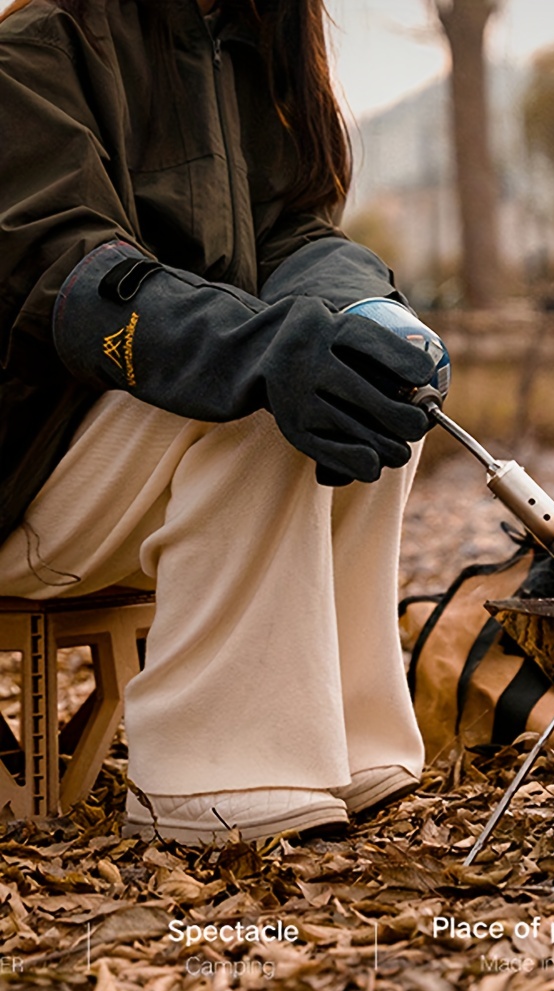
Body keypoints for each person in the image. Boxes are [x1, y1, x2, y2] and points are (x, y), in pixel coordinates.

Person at [0, 0, 439, 843]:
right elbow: (64, 272)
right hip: (24, 468)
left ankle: (345, 734)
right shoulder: (36, 48)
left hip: (115, 458)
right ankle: (212, 776)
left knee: (370, 389)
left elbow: (294, 231)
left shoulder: (243, 46)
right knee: (260, 393)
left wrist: (370, 316)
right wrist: (258, 352)